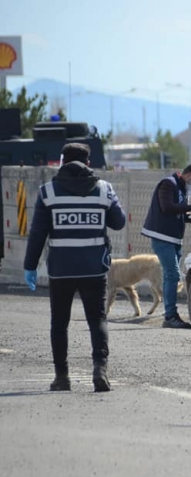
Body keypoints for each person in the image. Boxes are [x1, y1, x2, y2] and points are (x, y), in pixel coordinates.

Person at [23, 143, 126, 392]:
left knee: (59, 323)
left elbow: (37, 234)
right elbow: (119, 222)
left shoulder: (48, 192)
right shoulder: (104, 189)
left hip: (61, 269)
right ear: (88, 163)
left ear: (62, 162)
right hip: (94, 268)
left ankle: (62, 377)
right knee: (97, 320)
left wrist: (30, 266)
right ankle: (100, 371)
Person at [141, 163, 191, 329]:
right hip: (163, 238)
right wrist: (190, 207)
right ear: (189, 175)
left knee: (171, 276)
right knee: (173, 275)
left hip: (174, 239)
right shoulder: (168, 184)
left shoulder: (181, 189)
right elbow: (167, 207)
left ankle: (169, 314)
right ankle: (170, 315)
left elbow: (177, 213)